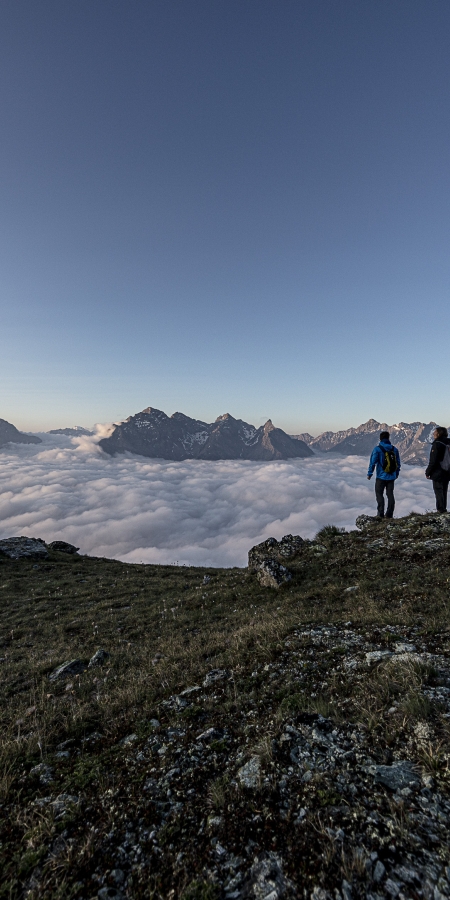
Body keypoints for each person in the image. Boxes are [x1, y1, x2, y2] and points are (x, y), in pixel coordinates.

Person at [367, 430, 401, 518]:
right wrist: (396, 474)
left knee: (379, 494)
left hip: (381, 477)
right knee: (390, 495)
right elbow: (398, 463)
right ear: (388, 438)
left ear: (380, 439)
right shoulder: (394, 449)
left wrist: (370, 473)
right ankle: (389, 514)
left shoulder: (377, 449)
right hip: (391, 477)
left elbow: (372, 462)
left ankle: (380, 514)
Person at [425, 426, 450, 513]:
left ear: (438, 434)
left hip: (438, 472)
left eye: (435, 432)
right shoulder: (448, 443)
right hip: (448, 472)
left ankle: (440, 510)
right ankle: (444, 509)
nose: (433, 434)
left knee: (438, 491)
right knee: (444, 491)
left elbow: (433, 460)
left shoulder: (437, 444)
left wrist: (428, 472)